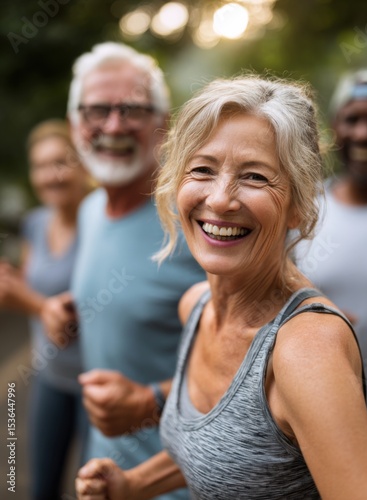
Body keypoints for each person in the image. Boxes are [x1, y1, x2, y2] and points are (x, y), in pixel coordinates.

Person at [75, 75, 367, 499]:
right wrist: (133, 483)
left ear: (300, 205)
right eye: (203, 169)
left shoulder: (305, 350)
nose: (221, 199)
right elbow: (232, 449)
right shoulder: (196, 307)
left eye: (255, 177)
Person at [40, 42, 205, 500]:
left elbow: (266, 365)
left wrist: (150, 403)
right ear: (76, 123)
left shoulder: (203, 218)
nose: (112, 125)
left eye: (131, 109)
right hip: (105, 477)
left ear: (162, 123)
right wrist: (66, 310)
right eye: (97, 109)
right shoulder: (92, 211)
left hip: (185, 485)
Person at [294, 68, 367, 479]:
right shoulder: (303, 211)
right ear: (335, 127)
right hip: (309, 439)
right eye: (352, 119)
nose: (363, 133)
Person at [0, 119, 90, 499]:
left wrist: (30, 302)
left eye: (61, 162)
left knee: (93, 487)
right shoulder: (36, 224)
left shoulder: (100, 223)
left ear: (84, 164)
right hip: (51, 377)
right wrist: (11, 282)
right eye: (40, 165)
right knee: (42, 486)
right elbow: (29, 282)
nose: (49, 175)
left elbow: (92, 309)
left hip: (96, 385)